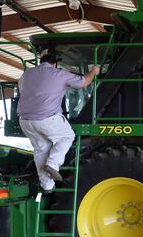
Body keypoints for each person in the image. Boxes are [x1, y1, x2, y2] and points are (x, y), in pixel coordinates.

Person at [17, 53, 100, 194]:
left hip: (25, 121)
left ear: (40, 62)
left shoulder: (26, 75)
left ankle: (47, 186)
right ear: (54, 64)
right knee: (67, 136)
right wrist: (93, 72)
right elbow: (83, 83)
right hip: (46, 119)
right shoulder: (58, 74)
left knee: (41, 149)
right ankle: (53, 164)